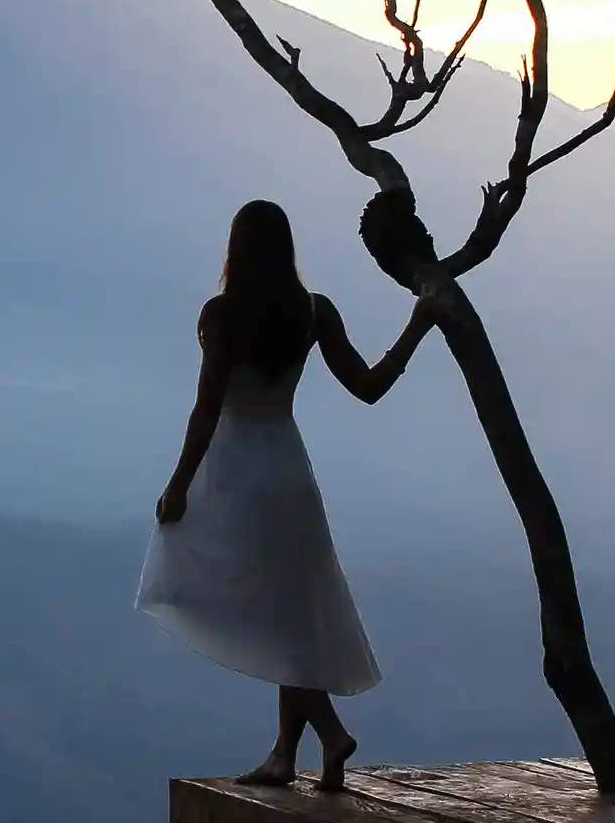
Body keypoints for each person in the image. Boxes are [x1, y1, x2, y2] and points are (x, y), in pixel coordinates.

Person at [138, 198, 442, 791]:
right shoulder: (312, 312)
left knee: (279, 617)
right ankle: (286, 753)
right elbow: (370, 386)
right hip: (291, 474)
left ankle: (326, 735)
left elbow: (207, 410)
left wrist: (177, 485)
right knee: (291, 614)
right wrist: (418, 324)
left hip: (235, 476)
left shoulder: (222, 317)